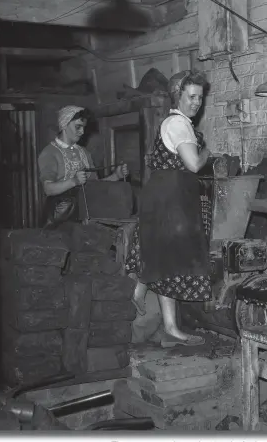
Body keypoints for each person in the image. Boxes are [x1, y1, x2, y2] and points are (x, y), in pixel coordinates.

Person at [125, 70, 212, 347]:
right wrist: (210, 152)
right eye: (192, 96)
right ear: (179, 96)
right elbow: (194, 164)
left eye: (200, 97)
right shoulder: (178, 125)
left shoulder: (178, 122)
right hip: (170, 199)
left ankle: (169, 324)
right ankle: (142, 295)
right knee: (169, 256)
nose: (197, 102)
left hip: (168, 195)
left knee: (165, 257)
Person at [37, 105, 128, 223]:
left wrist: (116, 176)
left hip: (83, 216)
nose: (82, 132)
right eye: (78, 127)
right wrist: (73, 181)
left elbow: (95, 186)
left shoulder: (84, 152)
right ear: (64, 124)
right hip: (59, 218)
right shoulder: (50, 153)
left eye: (83, 127)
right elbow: (48, 189)